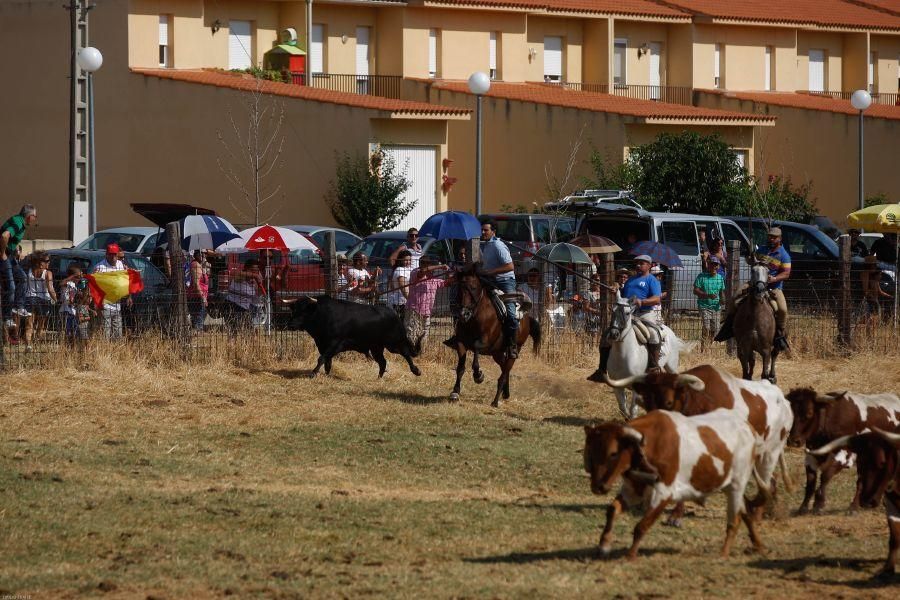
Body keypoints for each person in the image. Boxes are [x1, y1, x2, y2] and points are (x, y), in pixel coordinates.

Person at [716, 227, 791, 351]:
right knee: (735, 299)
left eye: (774, 237)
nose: (771, 239)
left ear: (780, 239)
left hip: (773, 288)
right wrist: (749, 256)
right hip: (754, 284)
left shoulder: (784, 255)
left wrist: (775, 279)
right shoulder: (761, 249)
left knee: (782, 309)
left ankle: (780, 335)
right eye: (770, 236)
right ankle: (729, 326)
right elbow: (751, 261)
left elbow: (786, 273)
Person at [595, 254, 663, 376]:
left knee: (653, 334)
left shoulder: (652, 280)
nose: (638, 265)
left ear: (649, 265)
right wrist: (616, 292)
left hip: (645, 313)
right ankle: (602, 369)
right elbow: (624, 298)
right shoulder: (631, 280)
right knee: (607, 335)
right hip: (628, 313)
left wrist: (642, 302)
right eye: (637, 263)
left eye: (641, 263)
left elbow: (657, 299)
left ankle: (653, 366)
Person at [480, 221, 519, 358]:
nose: (483, 232)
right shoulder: (486, 245)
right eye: (482, 230)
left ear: (493, 231)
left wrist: (490, 272)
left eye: (486, 230)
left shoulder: (498, 245)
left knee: (511, 315)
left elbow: (510, 266)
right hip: (492, 280)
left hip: (505, 282)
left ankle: (512, 344)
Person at [0, 204, 38, 327]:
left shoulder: (20, 222)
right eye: (35, 216)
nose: (35, 219)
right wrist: (3, 254)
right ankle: (6, 318)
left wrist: (16, 250)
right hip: (4, 255)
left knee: (22, 277)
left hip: (10, 255)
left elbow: (11, 239)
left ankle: (18, 307)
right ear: (29, 216)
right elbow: (4, 235)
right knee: (11, 285)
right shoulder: (18, 223)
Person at [404, 256, 451, 350]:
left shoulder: (433, 279)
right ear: (421, 265)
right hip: (414, 310)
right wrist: (440, 266)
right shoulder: (415, 273)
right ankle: (411, 351)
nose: (430, 269)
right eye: (426, 264)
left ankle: (421, 351)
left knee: (424, 334)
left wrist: (448, 272)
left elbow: (447, 283)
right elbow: (423, 271)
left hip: (427, 311)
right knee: (412, 332)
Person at [92, 243, 131, 340]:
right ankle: (105, 352)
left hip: (117, 305)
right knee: (105, 334)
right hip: (105, 305)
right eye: (110, 254)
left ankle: (115, 353)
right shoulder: (100, 267)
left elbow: (125, 281)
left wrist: (129, 296)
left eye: (114, 254)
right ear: (106, 254)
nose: (113, 256)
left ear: (117, 254)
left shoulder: (120, 265)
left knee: (118, 335)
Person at [21, 251, 56, 351]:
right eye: (47, 261)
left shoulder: (29, 271)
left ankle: (28, 345)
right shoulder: (48, 273)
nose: (49, 263)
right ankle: (37, 342)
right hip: (43, 300)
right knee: (41, 325)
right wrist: (56, 299)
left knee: (29, 324)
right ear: (41, 263)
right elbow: (50, 289)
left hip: (30, 298)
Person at [223, 258, 264, 334]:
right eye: (252, 270)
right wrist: (255, 275)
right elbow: (238, 274)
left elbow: (258, 296)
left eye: (256, 270)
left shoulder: (254, 282)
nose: (254, 272)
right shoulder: (239, 277)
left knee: (249, 332)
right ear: (246, 269)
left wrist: (258, 284)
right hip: (232, 306)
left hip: (245, 309)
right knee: (234, 332)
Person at [694, 256, 726, 350]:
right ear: (708, 265)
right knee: (706, 327)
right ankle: (703, 347)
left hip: (716, 307)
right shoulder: (701, 276)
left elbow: (722, 292)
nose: (714, 266)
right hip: (704, 305)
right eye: (712, 264)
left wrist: (723, 300)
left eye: (716, 265)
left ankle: (710, 345)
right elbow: (695, 291)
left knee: (715, 329)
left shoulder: (720, 278)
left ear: (718, 266)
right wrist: (707, 295)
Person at [58, 265, 83, 344]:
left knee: (74, 331)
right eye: (78, 276)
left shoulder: (75, 286)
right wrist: (73, 276)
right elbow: (61, 283)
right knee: (68, 331)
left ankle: (72, 346)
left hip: (72, 311)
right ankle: (68, 345)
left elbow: (79, 297)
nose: (79, 278)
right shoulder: (68, 283)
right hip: (65, 310)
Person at [187, 250, 210, 331]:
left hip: (198, 297)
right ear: (197, 255)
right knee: (198, 322)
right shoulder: (195, 265)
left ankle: (195, 335)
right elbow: (196, 284)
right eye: (203, 255)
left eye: (205, 255)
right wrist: (203, 297)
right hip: (197, 297)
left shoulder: (199, 265)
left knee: (199, 319)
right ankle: (196, 338)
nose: (205, 257)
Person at [387, 250, 413, 316]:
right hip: (399, 301)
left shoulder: (409, 269)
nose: (408, 262)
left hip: (404, 301)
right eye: (406, 260)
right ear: (401, 260)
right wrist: (410, 300)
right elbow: (403, 287)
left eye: (409, 260)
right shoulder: (400, 270)